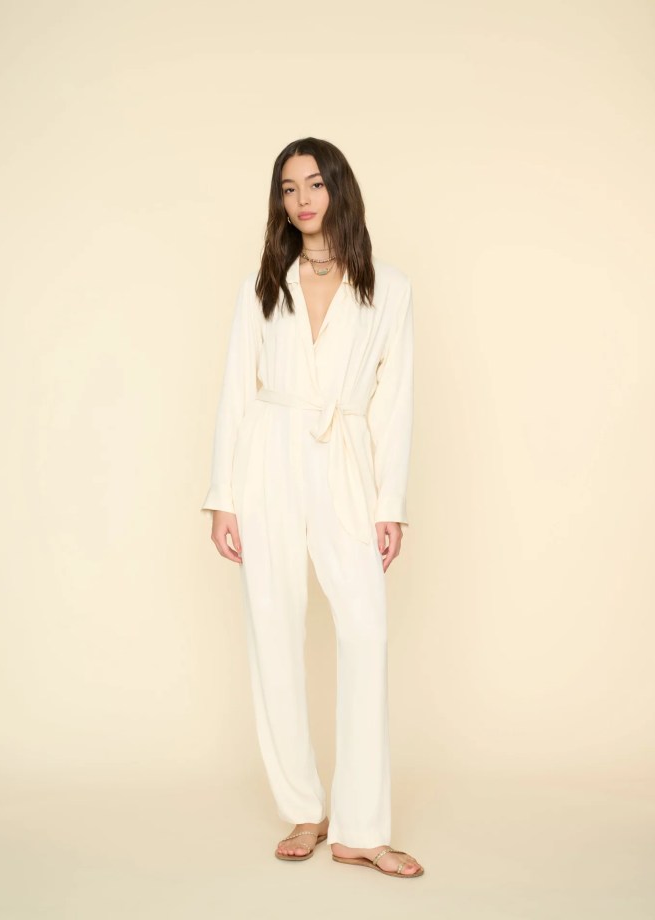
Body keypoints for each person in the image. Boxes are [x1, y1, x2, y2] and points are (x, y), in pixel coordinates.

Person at [200, 137, 424, 879]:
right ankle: (304, 807)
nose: (301, 199)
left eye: (315, 183)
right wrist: (224, 496)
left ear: (339, 189)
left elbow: (394, 403)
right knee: (273, 626)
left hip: (346, 456)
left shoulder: (390, 288)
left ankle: (362, 828)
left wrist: (389, 504)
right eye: (289, 187)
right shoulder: (263, 284)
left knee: (365, 630)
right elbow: (237, 387)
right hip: (267, 454)